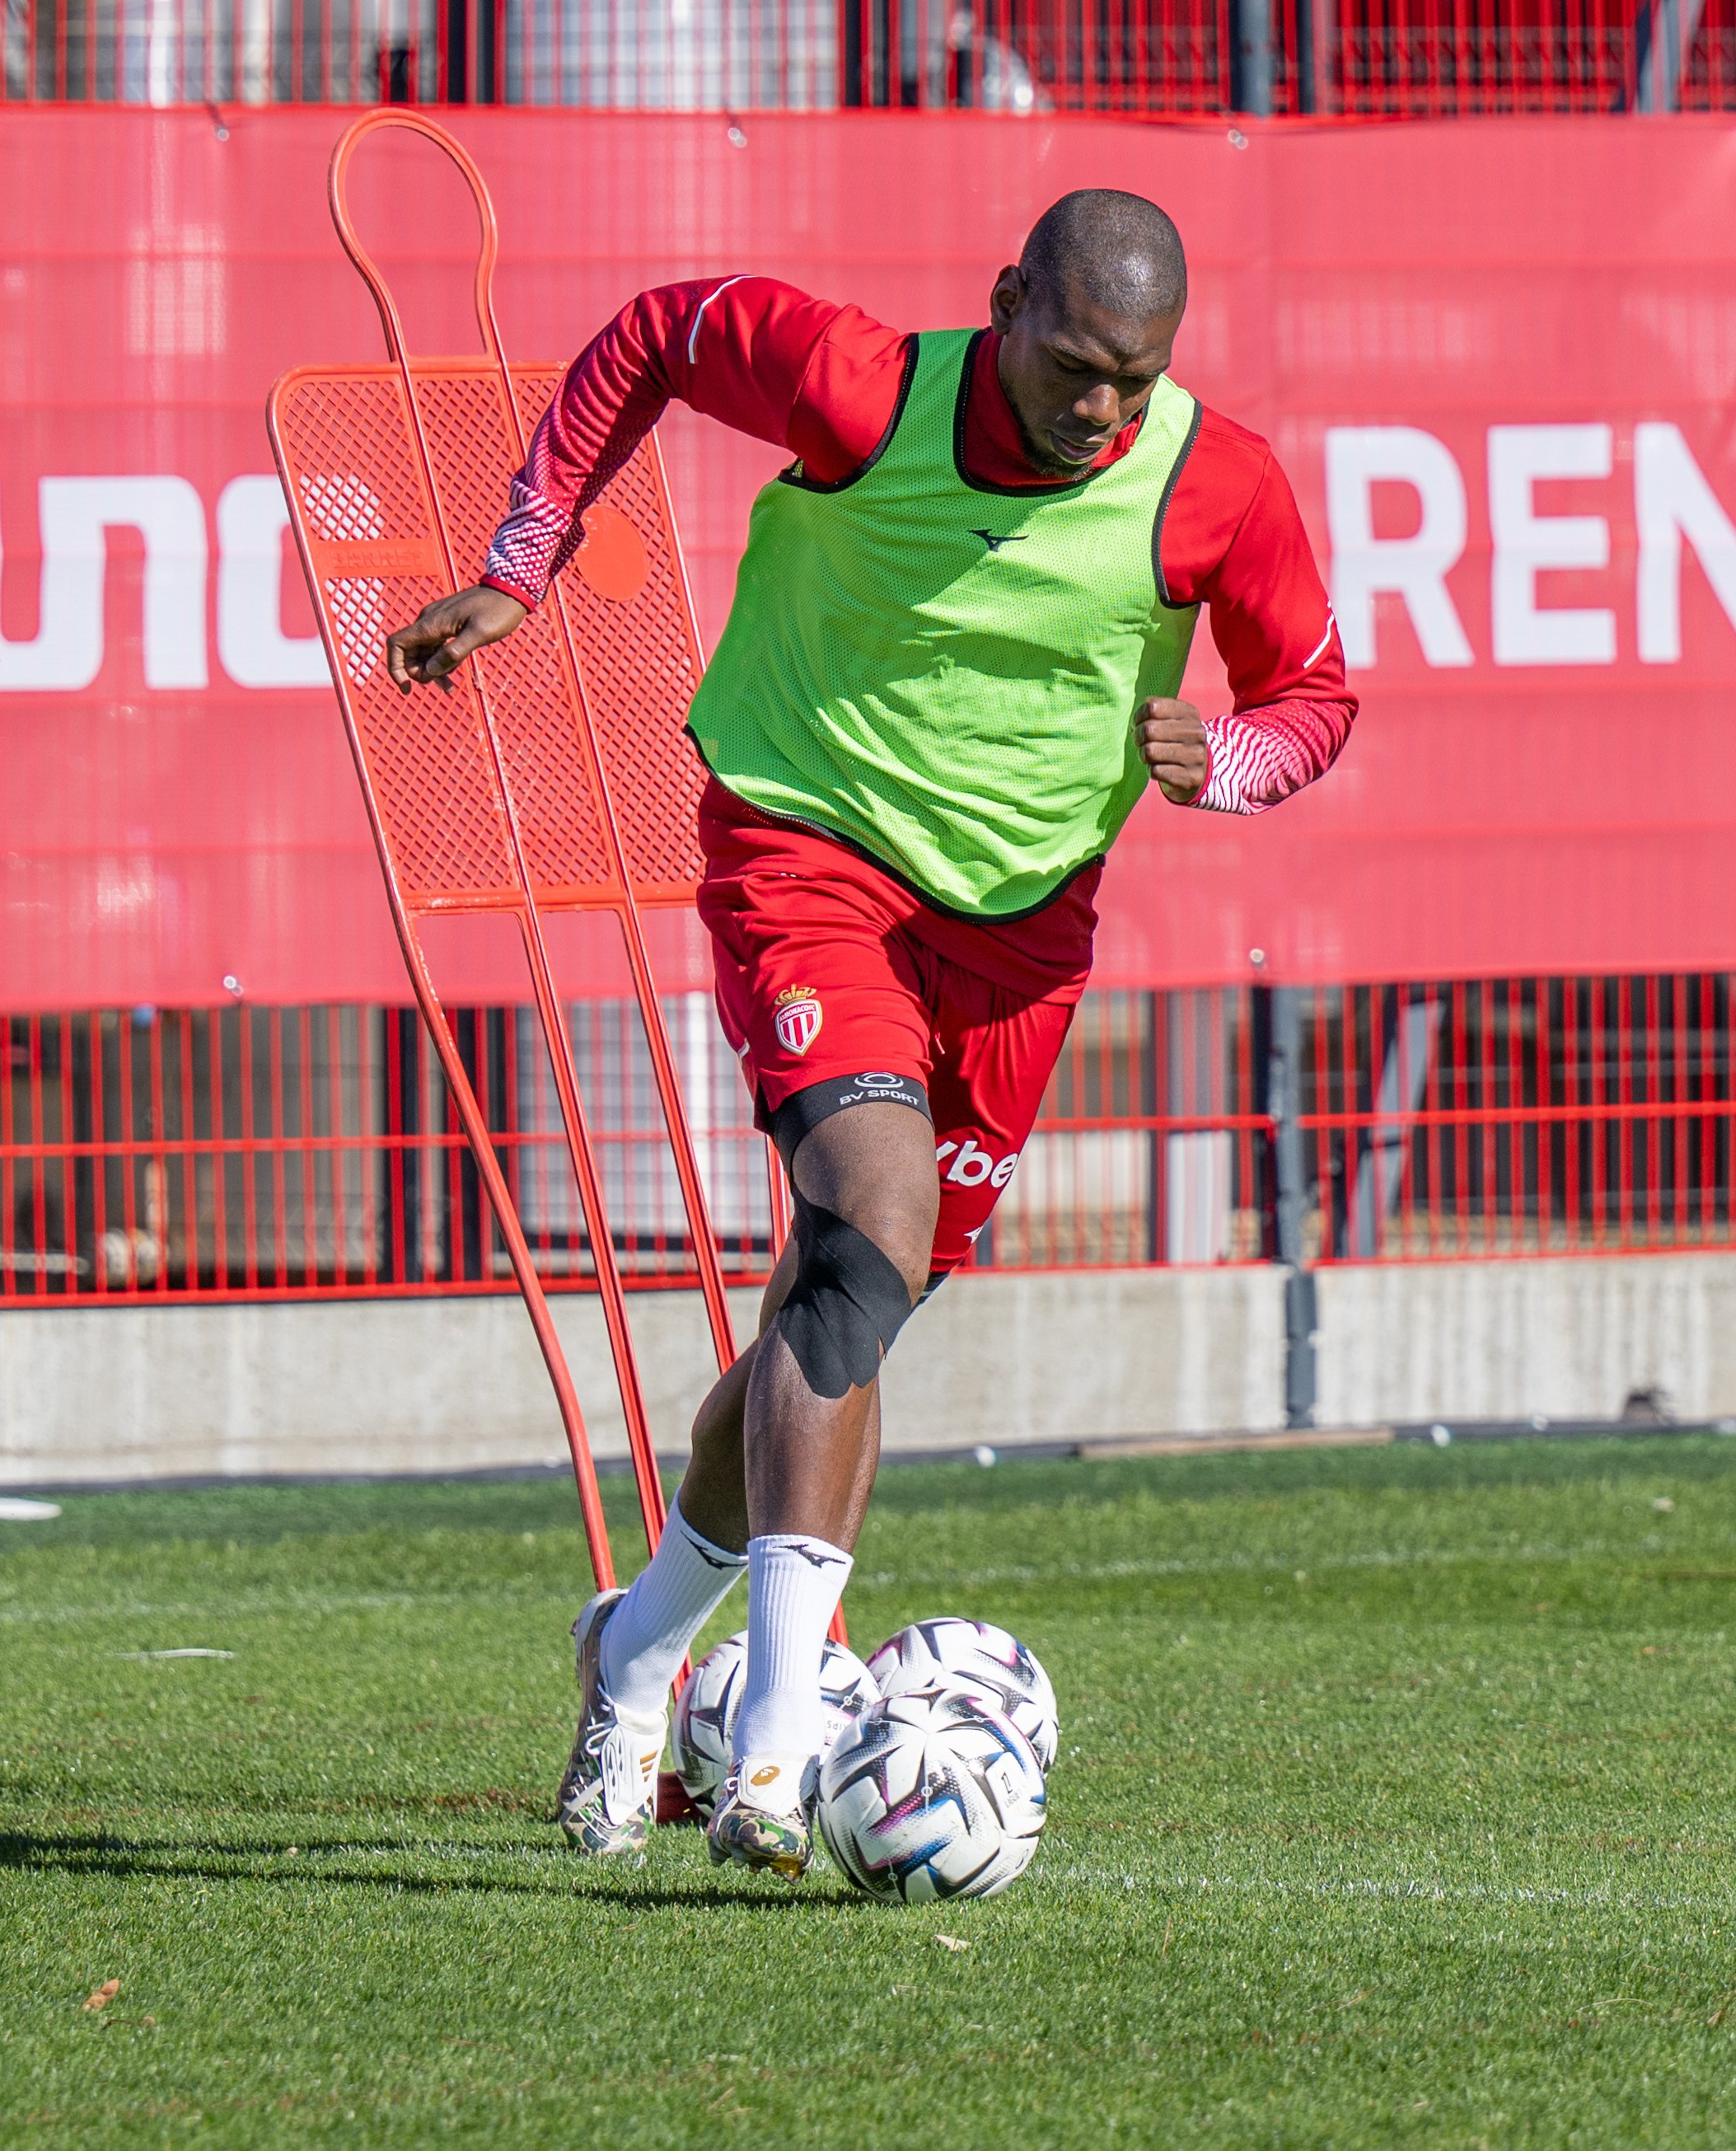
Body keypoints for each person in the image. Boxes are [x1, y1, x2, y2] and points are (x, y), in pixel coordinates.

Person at [383, 188, 1355, 1877]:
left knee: (842, 1307)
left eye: (1133, 378)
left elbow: (1315, 699)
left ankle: (634, 1650)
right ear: (1006, 301)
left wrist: (1229, 760)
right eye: (1071, 364)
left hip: (1022, 934)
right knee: (874, 1217)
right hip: (806, 850)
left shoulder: (1218, 482)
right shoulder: (858, 388)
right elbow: (656, 334)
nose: (1099, 408)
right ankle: (775, 1749)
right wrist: (521, 563)